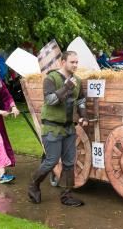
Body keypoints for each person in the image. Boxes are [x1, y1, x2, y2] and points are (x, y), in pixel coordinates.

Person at [28, 51, 88, 207]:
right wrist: (67, 86)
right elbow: (50, 100)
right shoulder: (51, 78)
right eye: (72, 62)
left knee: (69, 163)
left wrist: (83, 115)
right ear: (63, 62)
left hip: (69, 128)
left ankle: (66, 196)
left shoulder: (78, 80)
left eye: (77, 62)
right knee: (52, 161)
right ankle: (34, 184)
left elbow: (81, 100)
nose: (75, 65)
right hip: (52, 127)